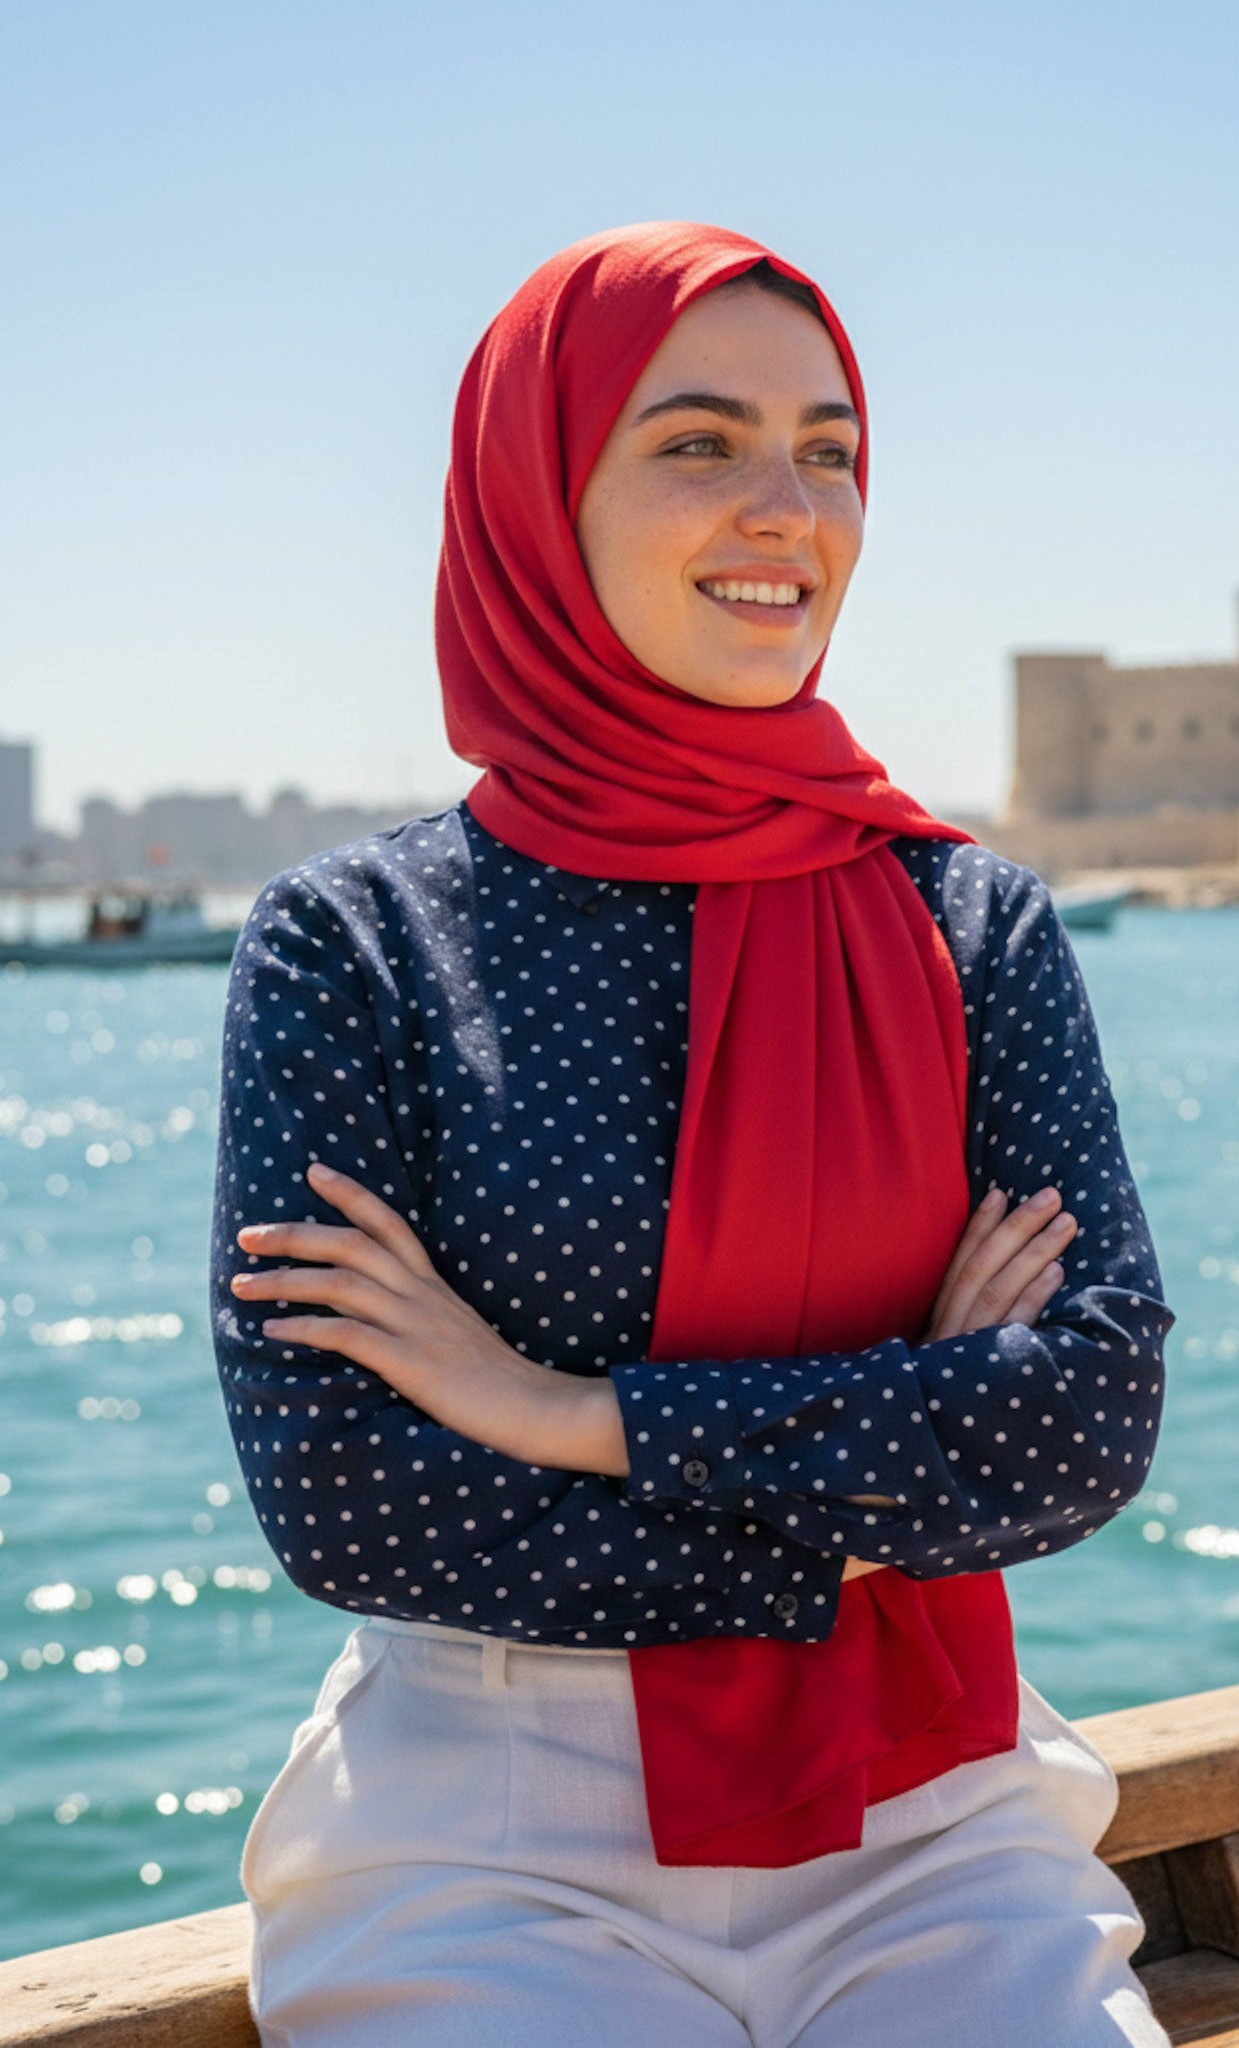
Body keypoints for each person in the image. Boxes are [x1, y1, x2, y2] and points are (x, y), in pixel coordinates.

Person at [209, 221, 1172, 2048]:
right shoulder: (358, 945)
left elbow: (1089, 1418)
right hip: (489, 1837)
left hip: (939, 1816)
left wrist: (567, 1415)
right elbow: (346, 1502)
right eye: (697, 442)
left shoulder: (976, 926)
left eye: (830, 452)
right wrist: (893, 1490)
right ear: (536, 492)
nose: (786, 510)